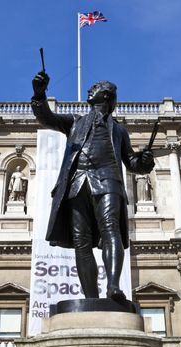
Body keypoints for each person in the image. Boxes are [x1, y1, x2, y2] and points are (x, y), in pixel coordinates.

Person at [31, 71, 154, 301]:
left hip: (109, 180)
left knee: (111, 229)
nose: (90, 89)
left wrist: (145, 161)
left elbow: (133, 163)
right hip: (77, 183)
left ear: (106, 96)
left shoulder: (118, 130)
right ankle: (91, 298)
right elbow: (47, 118)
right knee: (81, 241)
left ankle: (114, 287)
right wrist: (39, 95)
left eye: (96, 87)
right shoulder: (76, 122)